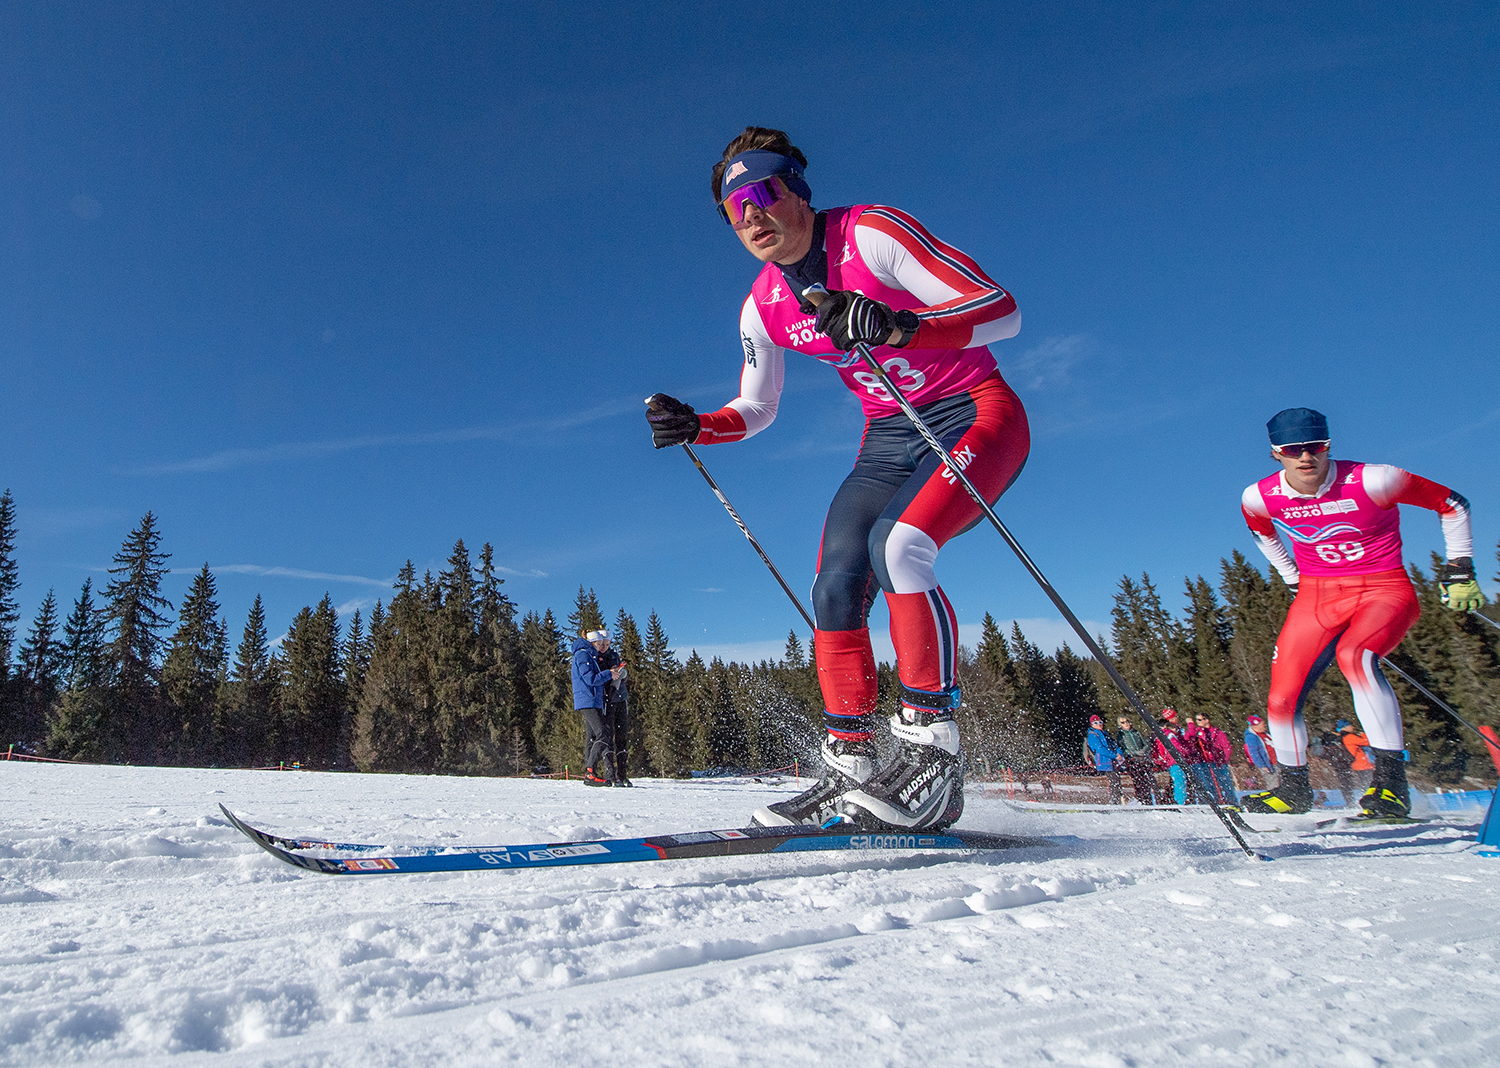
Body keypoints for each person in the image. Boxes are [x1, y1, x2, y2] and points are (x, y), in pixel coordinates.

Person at [646, 127, 1027, 832]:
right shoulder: (762, 305)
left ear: (798, 190)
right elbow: (756, 408)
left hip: (973, 410)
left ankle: (932, 761)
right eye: (736, 210)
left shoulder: (872, 235)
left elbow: (1001, 310)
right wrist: (698, 424)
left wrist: (900, 326)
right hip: (889, 435)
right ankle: (850, 764)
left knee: (901, 547)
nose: (752, 215)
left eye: (763, 193)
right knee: (835, 582)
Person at [1238, 407, 1484, 817]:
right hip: (1317, 596)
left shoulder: (1374, 479)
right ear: (1276, 453)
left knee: (1356, 657)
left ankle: (1391, 787)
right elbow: (1261, 531)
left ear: (1327, 445)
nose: (1306, 457)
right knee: (1281, 697)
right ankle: (1293, 790)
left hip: (1382, 588)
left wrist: (1460, 568)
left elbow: (1453, 504)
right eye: (1293, 449)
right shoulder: (1258, 496)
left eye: (1316, 447)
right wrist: (1291, 576)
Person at [571, 629, 626, 787]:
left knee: (593, 736)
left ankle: (591, 773)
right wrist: (609, 674)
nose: (601, 647)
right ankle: (590, 772)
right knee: (603, 734)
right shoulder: (583, 655)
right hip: (588, 700)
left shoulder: (588, 655)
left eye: (604, 644)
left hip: (591, 700)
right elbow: (590, 679)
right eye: (599, 644)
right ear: (592, 643)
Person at [1186, 713, 1239, 808]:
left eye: (1200, 720)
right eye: (1197, 720)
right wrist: (1191, 725)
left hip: (1218, 762)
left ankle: (1231, 801)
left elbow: (1227, 747)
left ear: (1207, 720)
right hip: (1206, 762)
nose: (1198, 722)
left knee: (1225, 783)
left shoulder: (1217, 732)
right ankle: (1216, 801)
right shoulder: (1198, 732)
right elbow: (1190, 738)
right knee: (1210, 783)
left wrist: (1224, 759)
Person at [597, 640, 631, 786]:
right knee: (608, 736)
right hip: (607, 700)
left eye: (607, 644)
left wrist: (621, 674)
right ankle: (610, 774)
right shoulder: (596, 658)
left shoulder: (614, 655)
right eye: (601, 644)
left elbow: (620, 675)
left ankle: (622, 774)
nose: (604, 647)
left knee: (622, 736)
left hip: (620, 698)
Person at [1116, 714, 1159, 804]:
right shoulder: (1120, 735)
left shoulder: (1136, 732)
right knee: (1138, 781)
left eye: (1127, 721)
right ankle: (1142, 799)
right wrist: (1134, 754)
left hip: (1142, 759)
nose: (1126, 724)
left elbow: (1146, 743)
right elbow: (1122, 748)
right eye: (1123, 722)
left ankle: (1150, 799)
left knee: (1148, 779)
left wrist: (1143, 750)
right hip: (1132, 760)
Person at [1153, 708, 1190, 805]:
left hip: (1171, 762)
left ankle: (1178, 800)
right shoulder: (1170, 735)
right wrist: (1186, 752)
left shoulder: (1163, 735)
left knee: (1177, 782)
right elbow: (1177, 747)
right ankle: (1181, 802)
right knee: (1179, 782)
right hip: (1176, 761)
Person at [1083, 714, 1124, 804]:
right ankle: (1114, 800)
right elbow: (1100, 749)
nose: (1099, 724)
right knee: (1112, 781)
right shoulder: (1092, 735)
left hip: (1112, 760)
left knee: (1116, 780)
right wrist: (1114, 755)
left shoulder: (1105, 734)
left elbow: (1114, 745)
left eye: (1100, 722)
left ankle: (1118, 800)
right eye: (1096, 723)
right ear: (1091, 725)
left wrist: (1119, 753)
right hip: (1104, 761)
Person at [1339, 718, 1375, 797]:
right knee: (1369, 783)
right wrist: (1363, 734)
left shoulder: (1345, 737)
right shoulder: (1349, 737)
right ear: (1345, 727)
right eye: (1350, 725)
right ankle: (1368, 798)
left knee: (1366, 783)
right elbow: (1366, 742)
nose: (1352, 727)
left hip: (1360, 765)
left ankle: (1367, 798)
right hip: (1363, 764)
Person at [1243, 714, 1278, 790]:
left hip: (1276, 762)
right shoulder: (1251, 737)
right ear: (1256, 726)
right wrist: (1262, 765)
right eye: (1262, 724)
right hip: (1268, 764)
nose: (1265, 726)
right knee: (1273, 784)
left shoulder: (1266, 734)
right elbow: (1254, 753)